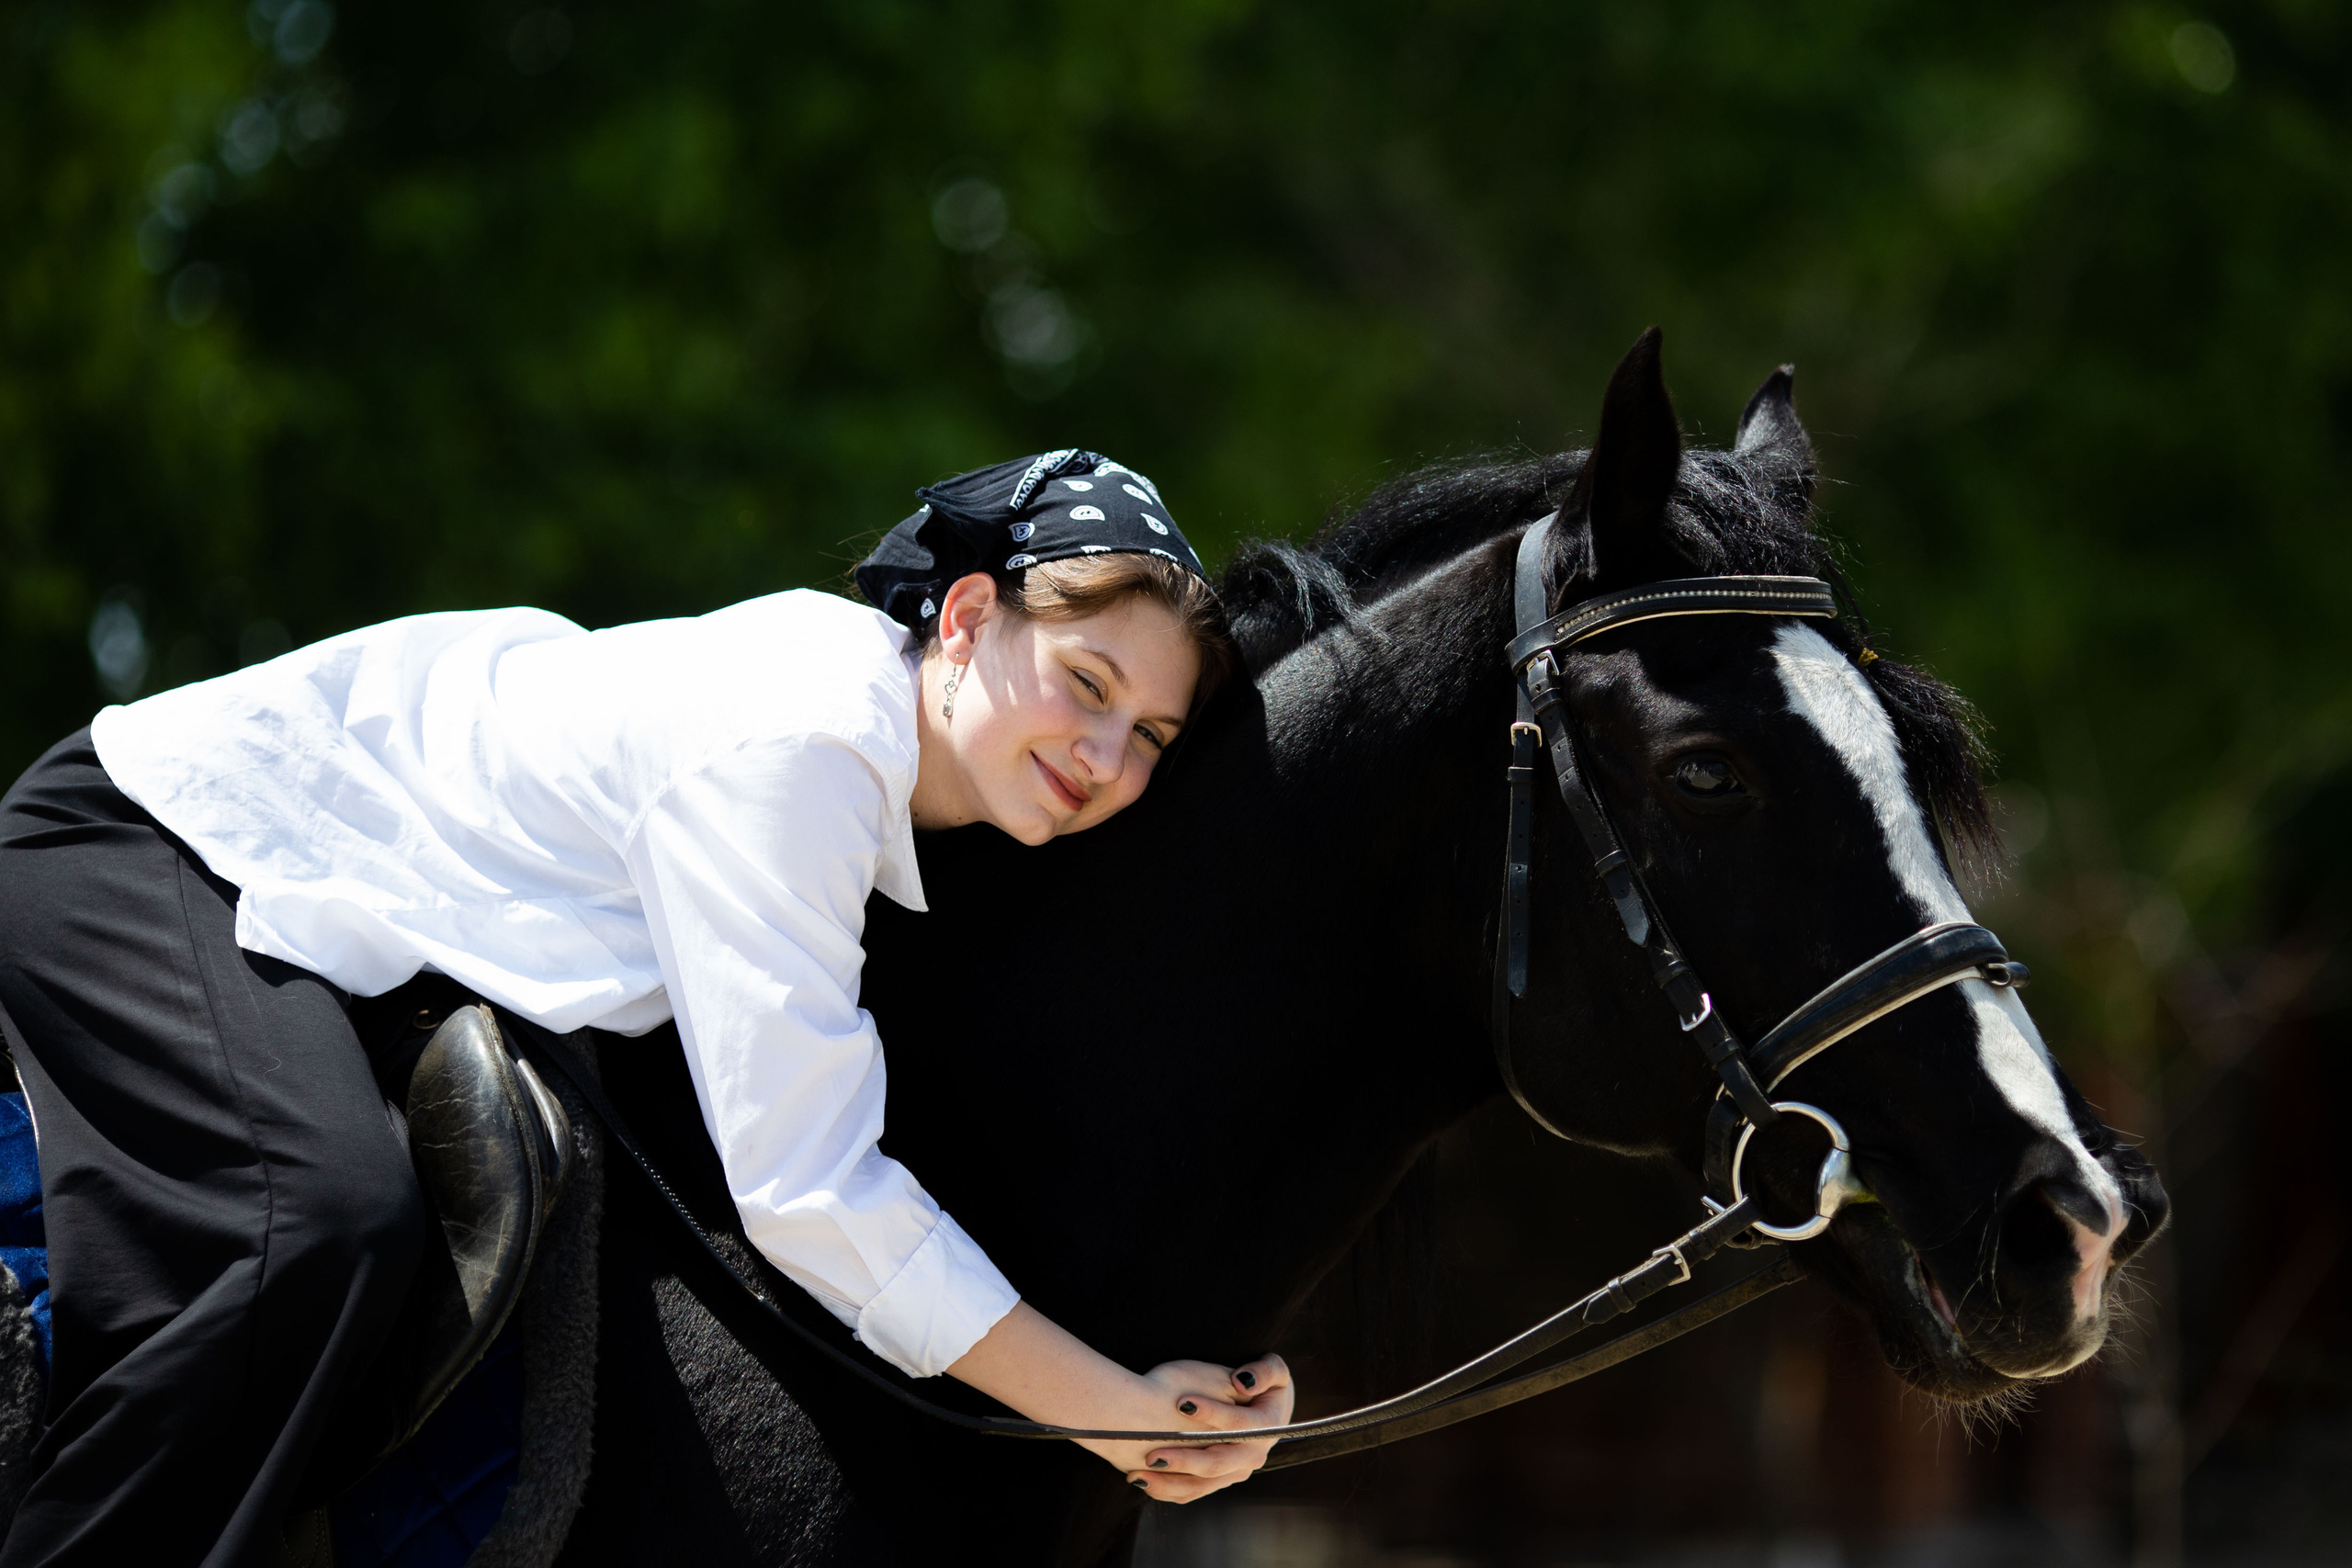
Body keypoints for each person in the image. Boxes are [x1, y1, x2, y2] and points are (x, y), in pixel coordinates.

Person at [0, 449, 1292, 1566]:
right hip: (150, 842)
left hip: (318, 908)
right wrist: (1104, 1409)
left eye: (1153, 739)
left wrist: (1166, 1363)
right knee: (316, 1223)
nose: (1108, 758)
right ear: (963, 616)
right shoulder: (808, 744)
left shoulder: (913, 789)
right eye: (1087, 683)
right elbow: (812, 1193)